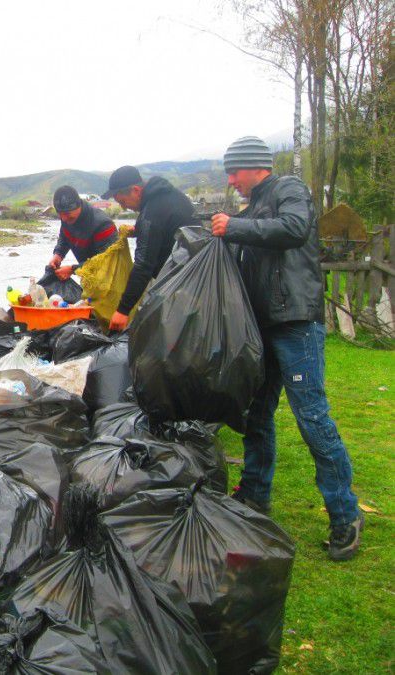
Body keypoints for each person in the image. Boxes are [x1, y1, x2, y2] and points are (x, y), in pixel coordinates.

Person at [212, 135, 362, 561]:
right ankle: (255, 495)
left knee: (312, 417)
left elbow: (294, 231)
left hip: (295, 323)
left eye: (234, 171)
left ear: (254, 166)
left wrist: (235, 227)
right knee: (257, 415)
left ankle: (345, 514)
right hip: (262, 326)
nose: (230, 179)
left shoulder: (289, 190)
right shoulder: (255, 204)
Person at [101, 165, 199, 331]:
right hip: (195, 274)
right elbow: (166, 226)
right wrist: (139, 230)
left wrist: (123, 310)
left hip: (183, 286)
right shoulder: (168, 195)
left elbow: (143, 266)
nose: (124, 208)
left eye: (123, 202)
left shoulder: (151, 212)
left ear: (136, 190)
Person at [47, 185, 117, 280]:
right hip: (87, 276)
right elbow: (65, 236)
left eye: (67, 214)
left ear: (78, 205)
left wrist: (73, 269)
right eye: (60, 214)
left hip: (110, 280)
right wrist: (58, 254)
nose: (64, 219)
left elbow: (107, 262)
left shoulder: (103, 225)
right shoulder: (67, 218)